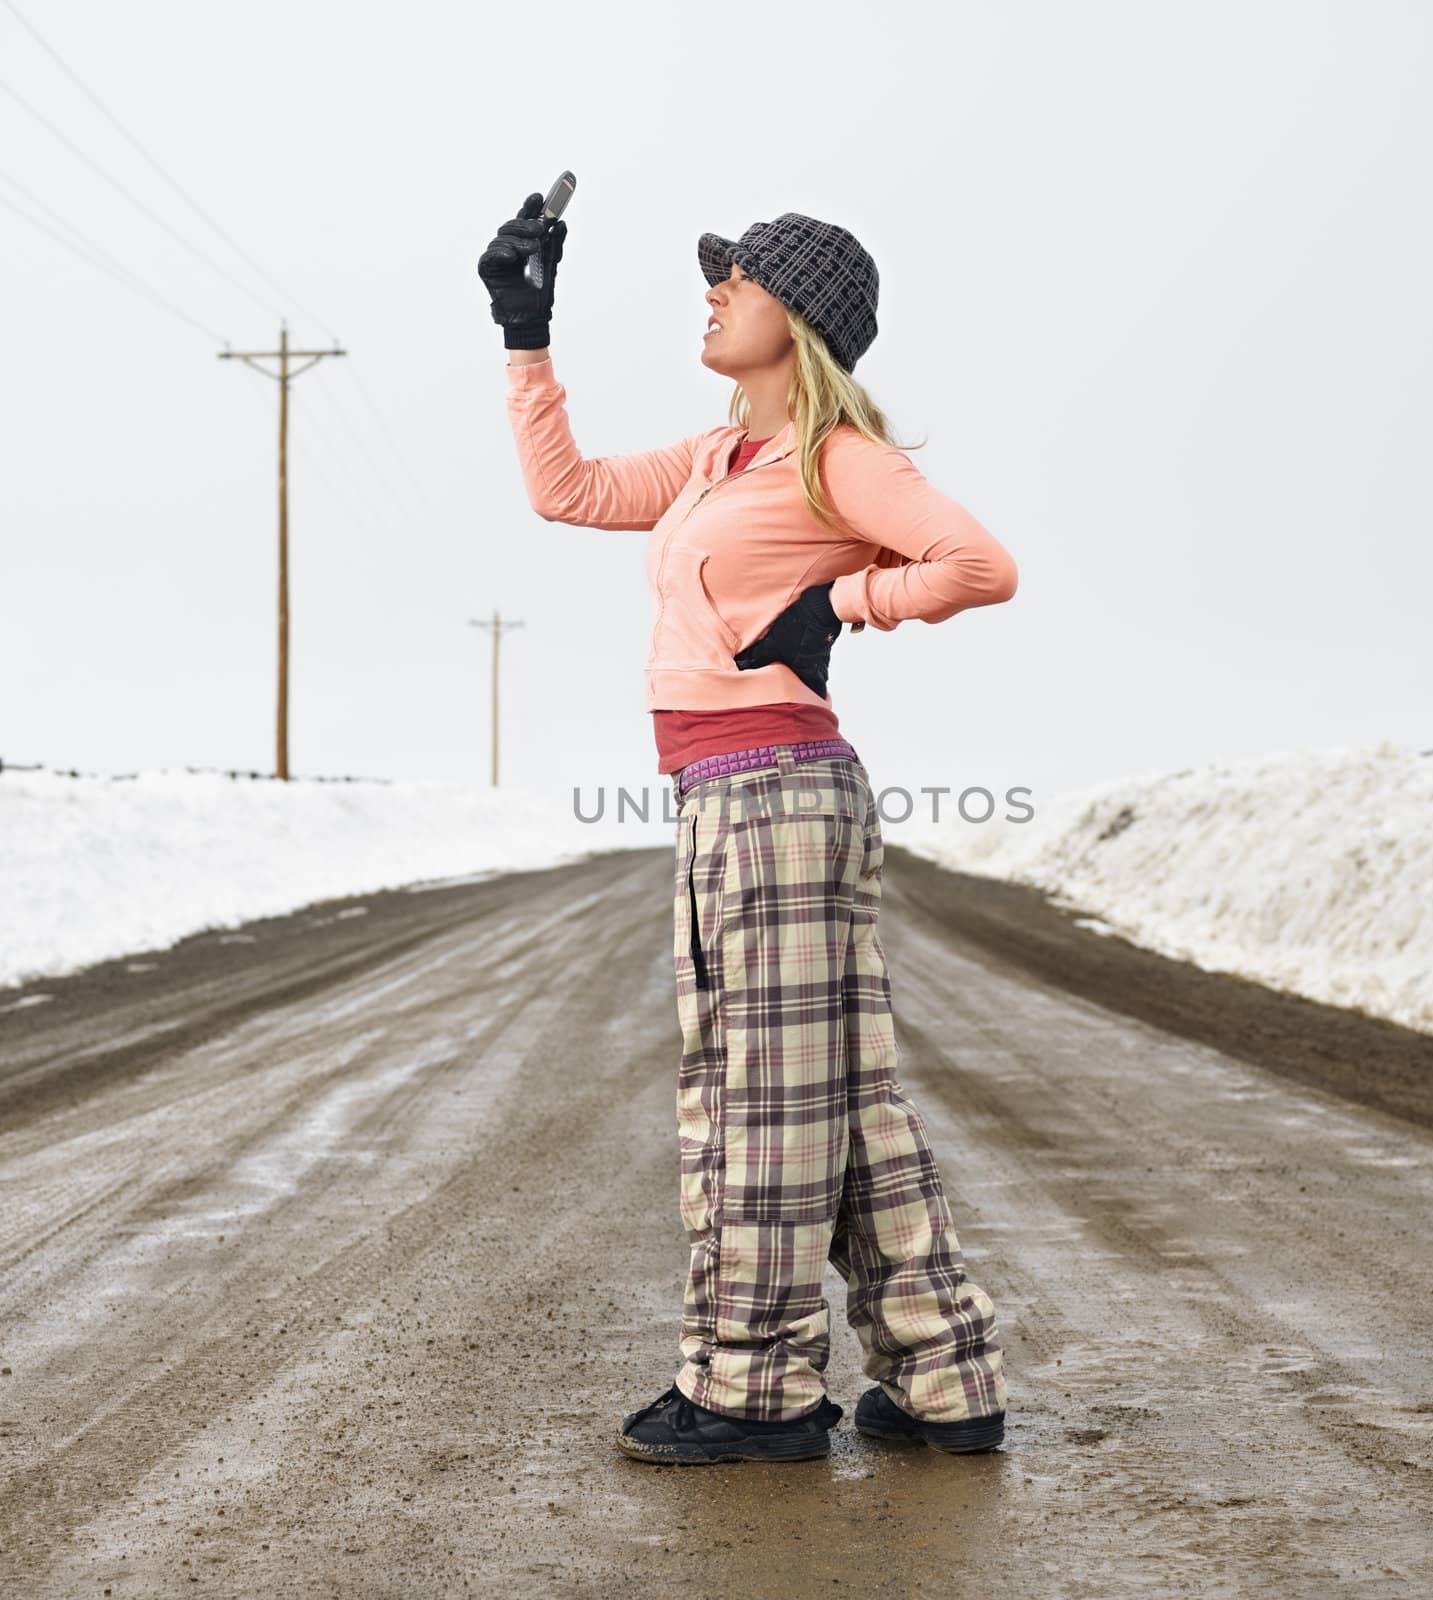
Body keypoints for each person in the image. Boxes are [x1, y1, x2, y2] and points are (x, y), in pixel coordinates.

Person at [478, 196, 1019, 1464]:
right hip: (739, 796)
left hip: (774, 792)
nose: (714, 290)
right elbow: (566, 491)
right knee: (840, 1093)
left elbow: (979, 563)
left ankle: (753, 1390)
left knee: (758, 1101)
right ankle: (944, 1379)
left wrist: (842, 600)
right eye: (714, 275)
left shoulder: (837, 457)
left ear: (805, 317)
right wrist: (524, 329)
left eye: (741, 277)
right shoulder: (719, 460)